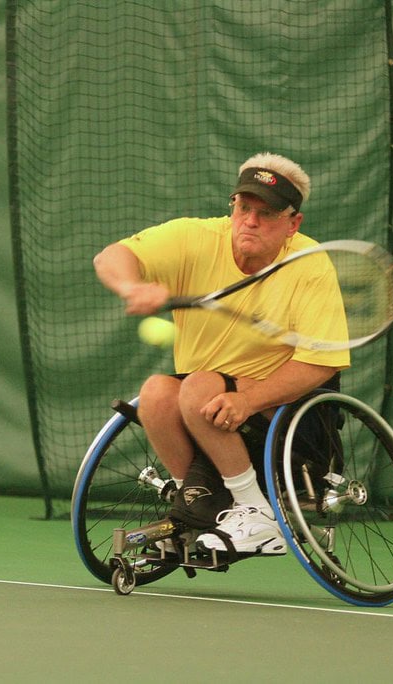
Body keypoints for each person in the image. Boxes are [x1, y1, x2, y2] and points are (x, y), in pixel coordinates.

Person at [93, 152, 350, 554]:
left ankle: (257, 514)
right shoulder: (194, 239)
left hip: (287, 417)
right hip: (206, 410)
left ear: (292, 223)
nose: (250, 221)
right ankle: (198, 503)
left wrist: (246, 400)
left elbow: (320, 364)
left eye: (266, 214)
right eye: (244, 208)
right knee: (157, 394)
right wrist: (131, 287)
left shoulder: (309, 264)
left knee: (199, 388)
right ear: (233, 206)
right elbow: (111, 257)